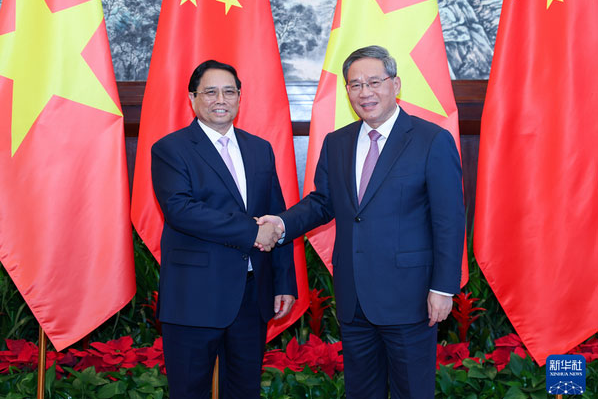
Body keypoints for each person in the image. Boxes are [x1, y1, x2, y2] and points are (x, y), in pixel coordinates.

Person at [258, 46, 464, 399]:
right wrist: (280, 223)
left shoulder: (431, 140)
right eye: (355, 85)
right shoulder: (337, 142)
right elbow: (323, 203)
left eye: (374, 82)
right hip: (354, 298)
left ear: (395, 84)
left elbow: (449, 220)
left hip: (411, 297)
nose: (365, 92)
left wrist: (443, 289)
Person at [151, 59, 297, 399]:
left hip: (251, 295)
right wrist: (250, 232)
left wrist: (283, 282)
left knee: (245, 391)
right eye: (210, 92)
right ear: (192, 98)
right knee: (189, 392)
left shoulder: (259, 149)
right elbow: (181, 210)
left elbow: (276, 217)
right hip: (194, 296)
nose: (221, 99)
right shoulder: (171, 149)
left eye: (229, 92)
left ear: (239, 97)